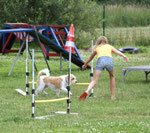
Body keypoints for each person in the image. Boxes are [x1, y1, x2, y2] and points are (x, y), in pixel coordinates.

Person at [79, 36, 129, 100]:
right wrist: (124, 56)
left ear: (98, 42)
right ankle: (112, 96)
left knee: (94, 80)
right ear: (106, 41)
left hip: (100, 61)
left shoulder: (97, 48)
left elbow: (90, 58)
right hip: (109, 61)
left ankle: (87, 91)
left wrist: (85, 64)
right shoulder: (109, 46)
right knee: (112, 76)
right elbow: (117, 51)